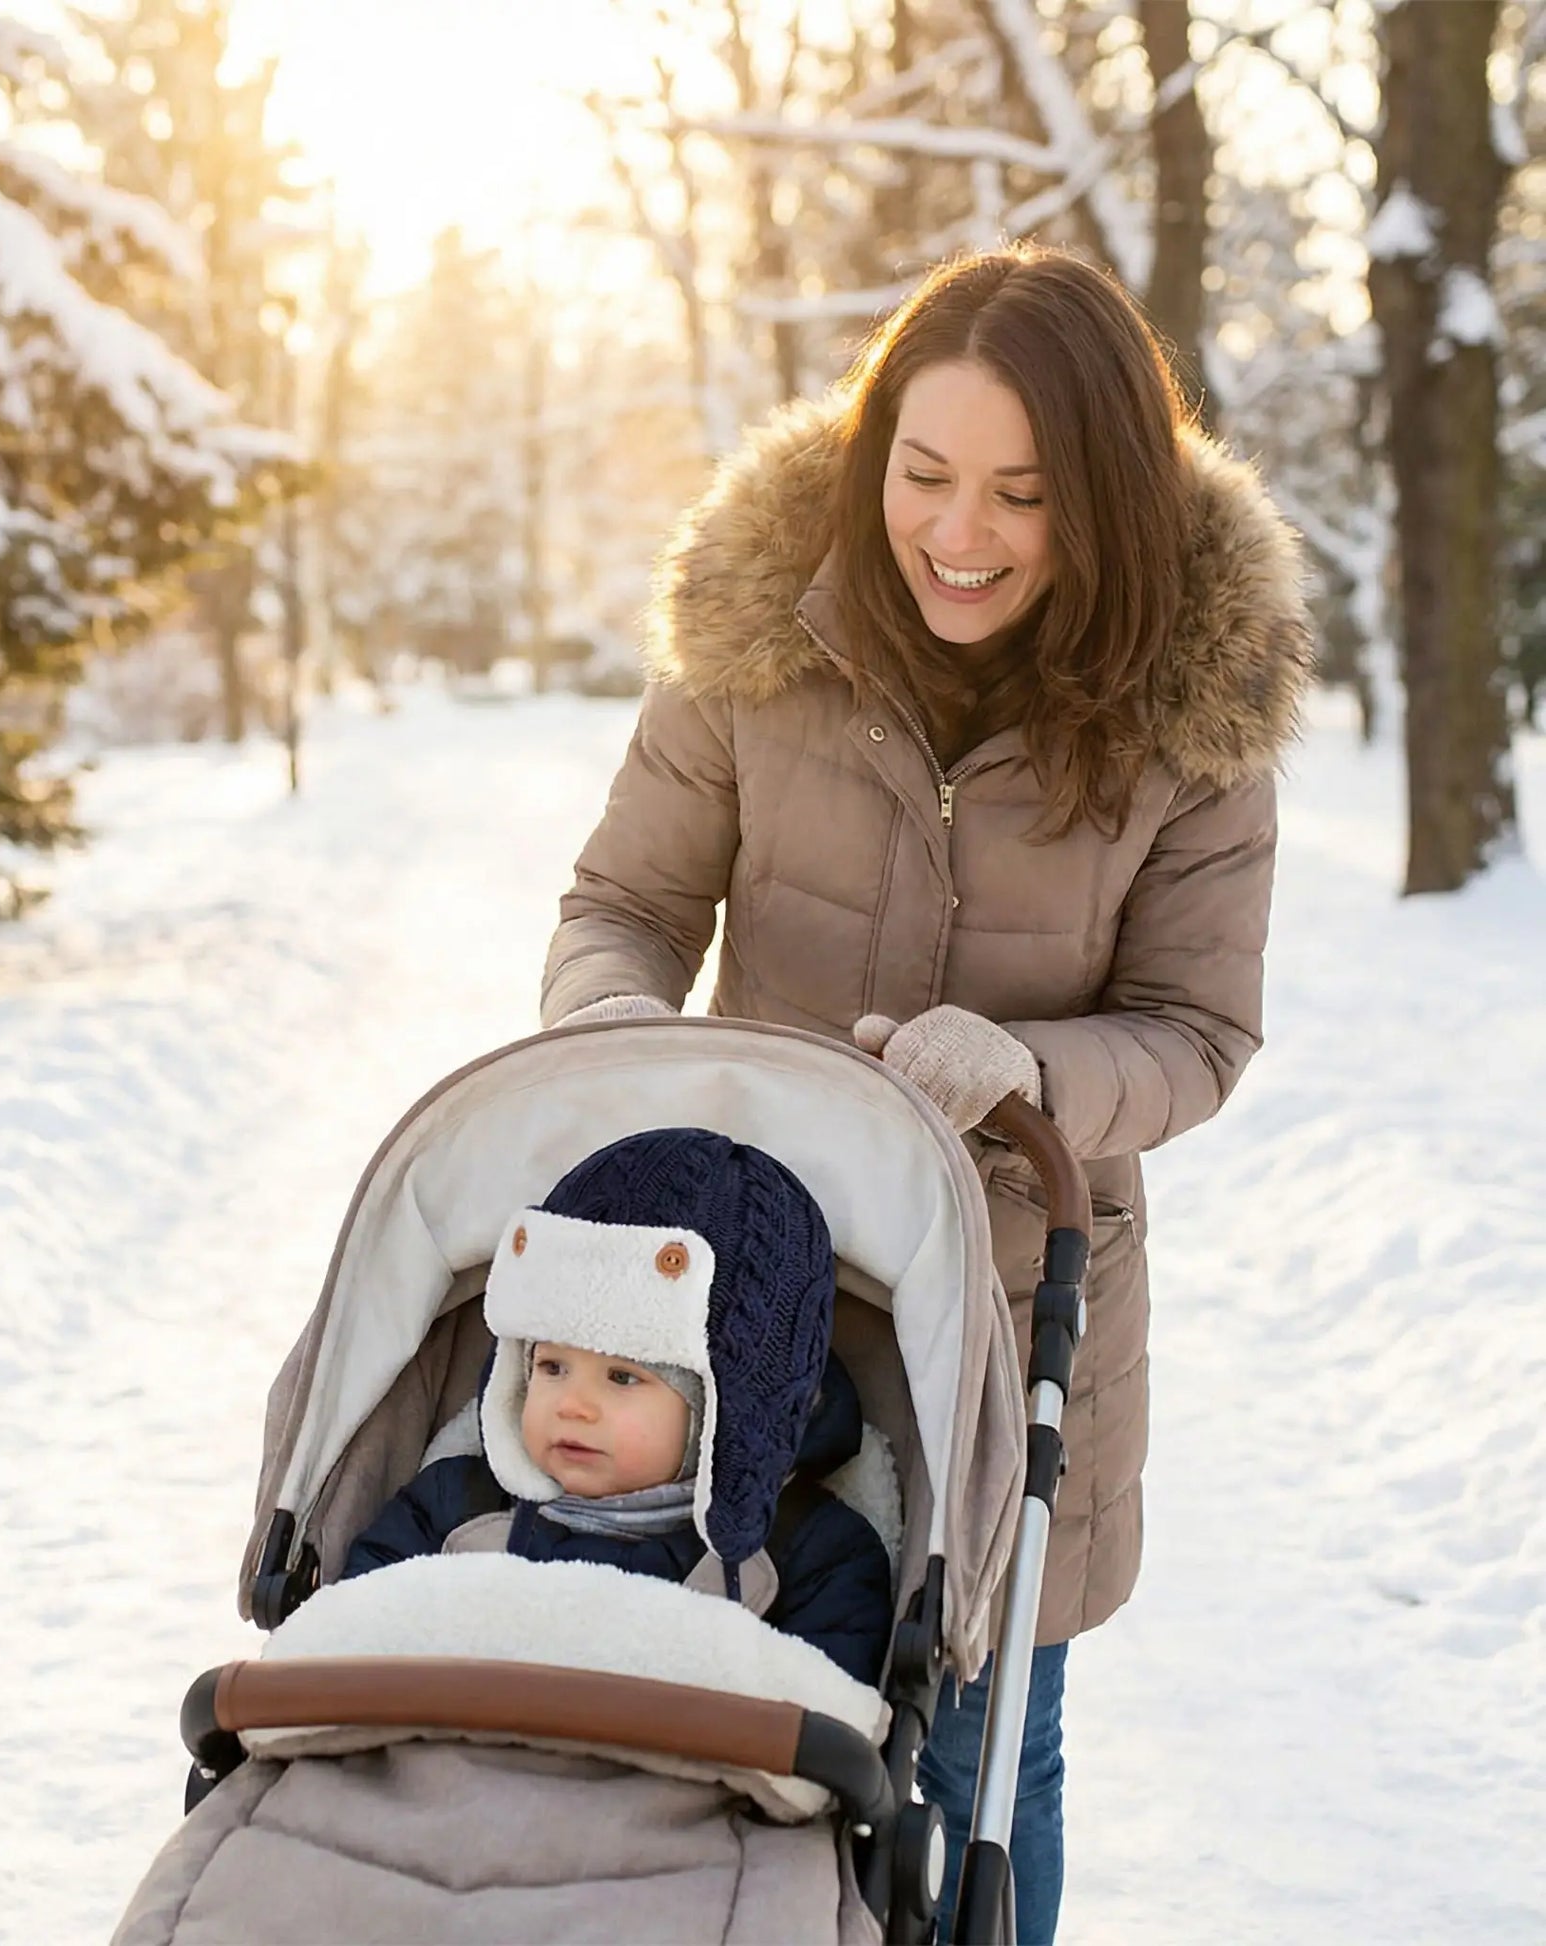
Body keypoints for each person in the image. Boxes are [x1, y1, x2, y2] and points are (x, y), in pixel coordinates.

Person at [539, 245, 1311, 1942]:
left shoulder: (1195, 716)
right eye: (926, 475)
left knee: (979, 1756)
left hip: (1015, 1308)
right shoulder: (763, 637)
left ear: (1106, 499)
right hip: (749, 1281)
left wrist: (1037, 1067)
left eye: (1023, 496)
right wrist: (617, 1039)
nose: (959, 536)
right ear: (875, 447)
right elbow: (628, 906)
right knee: (737, 1720)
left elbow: (1198, 1028)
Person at [343, 1126, 896, 1688]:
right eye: (551, 1367)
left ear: (722, 1408)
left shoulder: (808, 1555)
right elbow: (345, 1645)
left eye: (623, 1377)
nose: (572, 1405)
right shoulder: (451, 1510)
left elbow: (826, 1721)